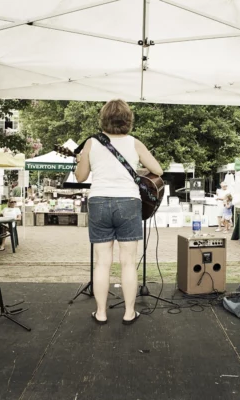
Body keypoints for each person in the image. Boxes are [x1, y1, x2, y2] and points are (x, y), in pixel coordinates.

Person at [74, 99, 163, 325]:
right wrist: (136, 168)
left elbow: (80, 177)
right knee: (128, 262)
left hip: (99, 201)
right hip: (128, 202)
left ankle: (101, 313)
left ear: (103, 118)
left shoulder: (91, 143)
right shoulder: (135, 143)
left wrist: (81, 161)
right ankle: (129, 312)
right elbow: (158, 170)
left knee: (102, 262)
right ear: (128, 120)